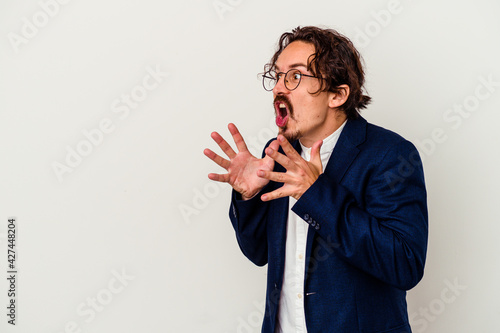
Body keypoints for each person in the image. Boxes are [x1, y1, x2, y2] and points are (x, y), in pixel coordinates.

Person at [204, 26, 428, 333]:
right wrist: (249, 197)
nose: (279, 88)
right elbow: (259, 254)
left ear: (337, 94)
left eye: (295, 76)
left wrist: (316, 193)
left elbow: (404, 265)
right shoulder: (279, 153)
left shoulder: (390, 155)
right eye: (277, 75)